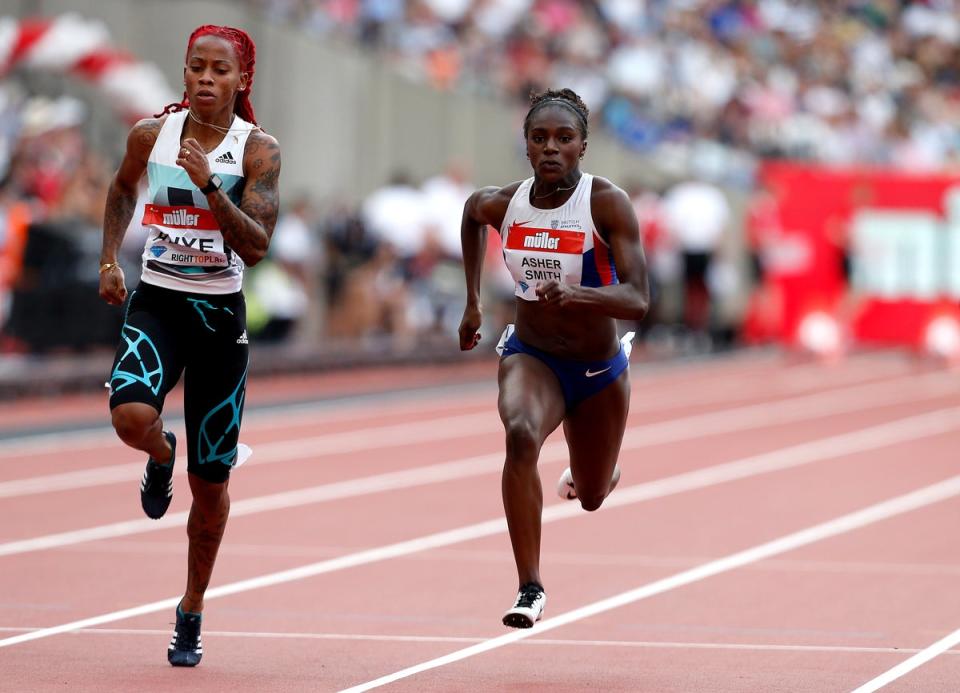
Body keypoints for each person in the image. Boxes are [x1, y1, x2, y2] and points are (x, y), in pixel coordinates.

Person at [97, 25, 281, 666]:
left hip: (218, 321)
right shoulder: (152, 135)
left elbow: (256, 248)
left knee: (209, 486)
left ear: (241, 80)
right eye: (196, 67)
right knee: (130, 417)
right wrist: (109, 260)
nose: (205, 78)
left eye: (219, 70)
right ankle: (158, 450)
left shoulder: (257, 151)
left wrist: (208, 187)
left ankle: (191, 608)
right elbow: (123, 188)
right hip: (158, 301)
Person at [457, 88, 649, 628]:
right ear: (526, 145)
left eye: (564, 138)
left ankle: (598, 474)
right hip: (533, 356)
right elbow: (471, 214)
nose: (551, 148)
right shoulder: (505, 202)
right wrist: (472, 303)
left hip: (597, 370)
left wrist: (580, 295)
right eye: (539, 138)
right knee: (519, 434)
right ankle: (530, 588)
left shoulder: (605, 203)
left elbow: (638, 300)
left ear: (582, 147)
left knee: (589, 497)